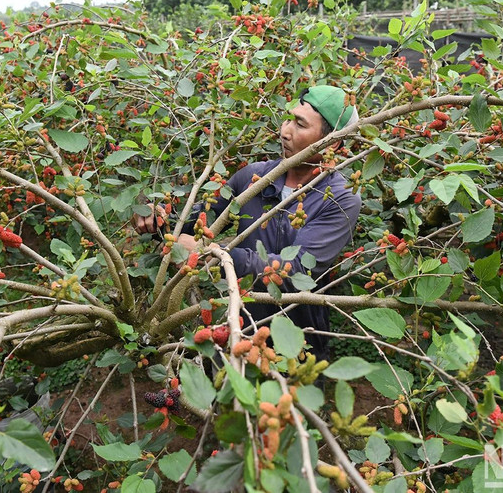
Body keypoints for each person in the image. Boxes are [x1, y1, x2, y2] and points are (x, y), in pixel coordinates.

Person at [135, 85, 361, 361]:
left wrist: (215, 256)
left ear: (333, 143)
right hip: (239, 326)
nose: (285, 131)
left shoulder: (341, 198)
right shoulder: (253, 178)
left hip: (299, 338)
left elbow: (299, 268)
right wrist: (154, 216)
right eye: (289, 118)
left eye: (300, 125)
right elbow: (191, 223)